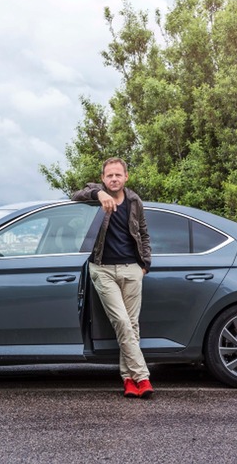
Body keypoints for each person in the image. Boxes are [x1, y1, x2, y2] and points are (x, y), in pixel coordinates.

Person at [72, 157, 153, 399]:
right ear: (103, 178)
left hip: (131, 269)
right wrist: (98, 194)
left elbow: (144, 233)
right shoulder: (96, 197)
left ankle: (128, 380)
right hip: (103, 269)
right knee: (122, 321)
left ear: (126, 177)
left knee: (132, 325)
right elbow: (75, 195)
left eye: (118, 175)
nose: (114, 179)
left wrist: (144, 265)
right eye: (109, 176)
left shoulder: (134, 200)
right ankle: (143, 376)